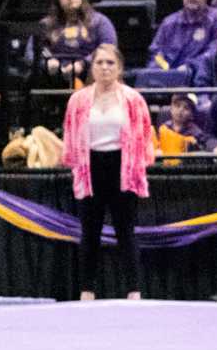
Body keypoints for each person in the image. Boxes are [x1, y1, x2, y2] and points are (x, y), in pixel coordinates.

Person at [62, 45, 156, 301]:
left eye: (110, 63)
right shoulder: (78, 100)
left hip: (123, 168)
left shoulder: (133, 99)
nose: (105, 68)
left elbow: (146, 133)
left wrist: (141, 165)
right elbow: (70, 133)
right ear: (92, 68)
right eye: (100, 63)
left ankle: (134, 290)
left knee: (125, 231)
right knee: (89, 232)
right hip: (89, 167)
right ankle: (87, 290)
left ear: (120, 68)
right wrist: (73, 164)